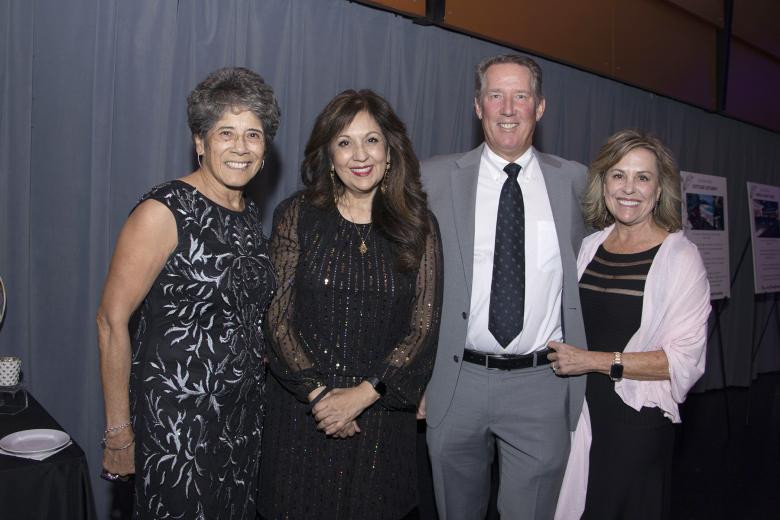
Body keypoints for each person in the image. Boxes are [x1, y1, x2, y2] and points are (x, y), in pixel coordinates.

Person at [96, 67, 280, 519]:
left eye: (253, 134)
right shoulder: (165, 210)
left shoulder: (248, 215)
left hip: (240, 422)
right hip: (176, 427)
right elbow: (110, 321)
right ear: (200, 141)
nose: (241, 147)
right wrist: (119, 434)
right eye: (226, 132)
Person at [259, 89, 443, 520]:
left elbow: (423, 326)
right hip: (303, 414)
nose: (360, 154)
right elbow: (276, 315)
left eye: (371, 140)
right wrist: (321, 396)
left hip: (379, 419)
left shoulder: (419, 226)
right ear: (328, 155)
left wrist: (362, 394)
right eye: (344, 142)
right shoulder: (297, 214)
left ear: (391, 150)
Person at [421, 54, 589, 519]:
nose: (508, 108)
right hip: (457, 381)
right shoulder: (432, 179)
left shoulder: (575, 182)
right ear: (478, 106)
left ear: (540, 107)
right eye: (496, 95)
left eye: (521, 96)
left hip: (541, 384)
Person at [552, 129, 711, 519]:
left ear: (660, 190)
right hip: (578, 413)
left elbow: (681, 362)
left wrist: (591, 361)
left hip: (635, 421)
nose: (629, 188)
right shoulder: (591, 245)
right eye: (618, 175)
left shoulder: (681, 258)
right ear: (603, 182)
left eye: (643, 177)